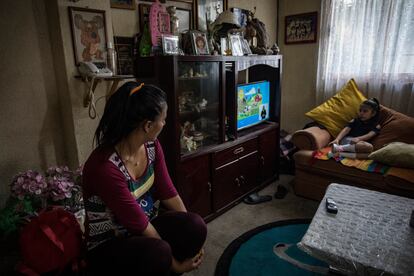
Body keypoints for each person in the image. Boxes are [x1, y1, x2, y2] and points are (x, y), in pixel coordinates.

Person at [82, 82, 207, 275]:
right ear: (147, 125)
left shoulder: (151, 146)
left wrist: (190, 232)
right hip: (109, 245)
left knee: (195, 225)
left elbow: (168, 192)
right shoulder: (104, 168)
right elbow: (139, 224)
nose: (164, 124)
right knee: (160, 253)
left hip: (142, 228)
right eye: (163, 120)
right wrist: (176, 265)